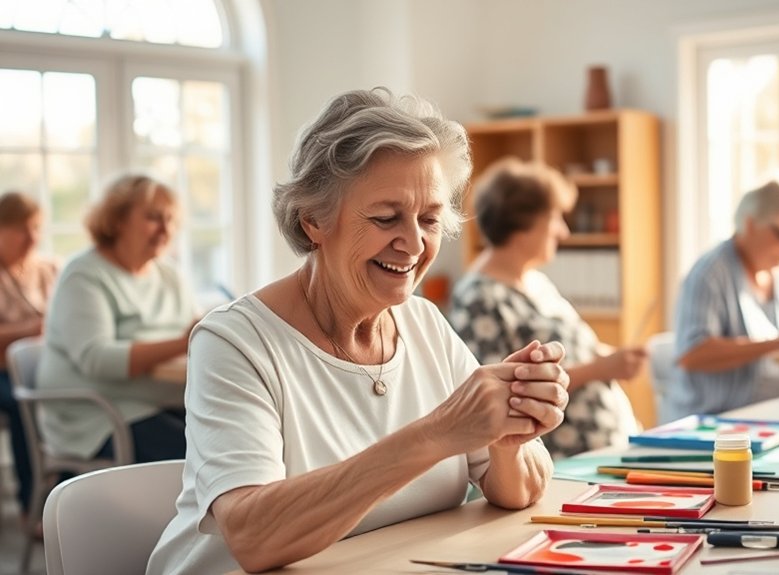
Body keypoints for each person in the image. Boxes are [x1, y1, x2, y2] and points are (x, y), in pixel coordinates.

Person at [147, 89, 568, 575]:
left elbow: (517, 491)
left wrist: (506, 431)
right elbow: (252, 535)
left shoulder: (424, 323)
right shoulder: (234, 342)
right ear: (314, 221)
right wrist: (436, 434)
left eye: (429, 219)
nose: (413, 243)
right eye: (386, 217)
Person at [448, 158, 643, 460]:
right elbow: (497, 391)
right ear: (523, 225)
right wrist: (599, 370)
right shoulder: (478, 297)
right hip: (560, 464)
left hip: (605, 449)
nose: (563, 232)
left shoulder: (537, 282)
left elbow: (572, 351)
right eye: (554, 218)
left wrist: (612, 358)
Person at [37, 174, 195, 464]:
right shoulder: (83, 275)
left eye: (171, 220)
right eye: (153, 218)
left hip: (163, 399)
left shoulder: (170, 275)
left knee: (239, 444)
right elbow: (97, 358)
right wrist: (183, 342)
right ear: (117, 220)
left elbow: (191, 333)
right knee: (200, 460)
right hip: (99, 413)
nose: (165, 229)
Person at [662, 175, 779, 423]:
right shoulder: (709, 274)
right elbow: (692, 353)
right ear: (749, 224)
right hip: (719, 426)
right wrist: (778, 343)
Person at [0, 191, 58, 529]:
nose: (32, 237)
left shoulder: (49, 268)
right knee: (24, 405)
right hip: (4, 371)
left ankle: (63, 490)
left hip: (49, 365)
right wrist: (33, 328)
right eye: (22, 229)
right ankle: (31, 505)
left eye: (36, 227)